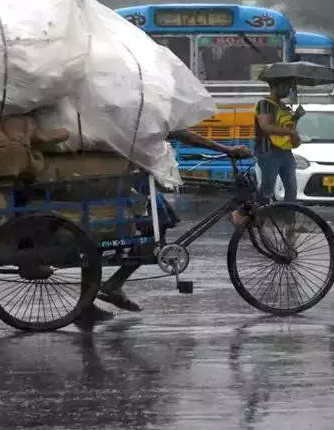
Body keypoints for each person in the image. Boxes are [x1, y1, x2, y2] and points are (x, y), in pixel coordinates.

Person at [84, 129, 251, 321]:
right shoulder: (141, 111)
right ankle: (112, 285)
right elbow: (179, 133)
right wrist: (226, 148)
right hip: (124, 182)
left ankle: (102, 292)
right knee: (153, 233)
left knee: (155, 231)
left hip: (125, 176)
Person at [254, 79, 302, 202]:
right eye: (285, 86)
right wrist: (289, 132)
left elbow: (288, 127)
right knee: (268, 187)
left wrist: (296, 117)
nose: (288, 90)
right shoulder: (264, 104)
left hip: (286, 152)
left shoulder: (283, 107)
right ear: (275, 86)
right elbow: (265, 126)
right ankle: (257, 214)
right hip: (269, 151)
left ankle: (288, 218)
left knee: (291, 188)